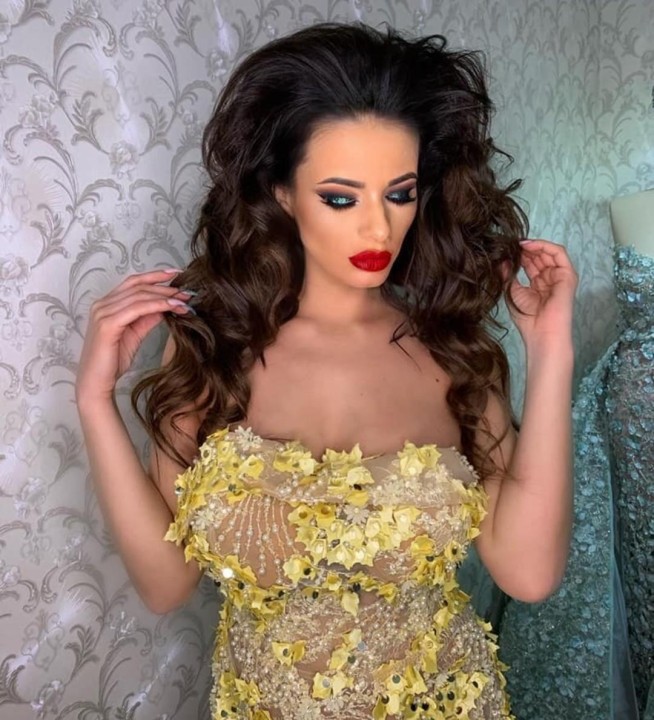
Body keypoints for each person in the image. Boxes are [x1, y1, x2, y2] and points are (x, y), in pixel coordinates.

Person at [75, 22, 577, 720]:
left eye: (399, 194)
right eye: (341, 197)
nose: (378, 229)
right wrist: (94, 400)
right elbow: (166, 585)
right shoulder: (212, 343)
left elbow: (528, 574)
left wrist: (551, 352)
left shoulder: (451, 347)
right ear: (281, 192)